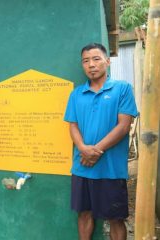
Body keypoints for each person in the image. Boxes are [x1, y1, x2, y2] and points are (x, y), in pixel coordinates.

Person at [64, 43, 138, 240]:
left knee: (115, 218)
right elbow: (72, 126)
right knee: (84, 213)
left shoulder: (122, 89)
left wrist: (95, 151)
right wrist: (82, 148)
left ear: (107, 61)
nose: (91, 65)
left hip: (111, 169)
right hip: (82, 167)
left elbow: (123, 126)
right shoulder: (76, 94)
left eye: (96, 59)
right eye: (86, 61)